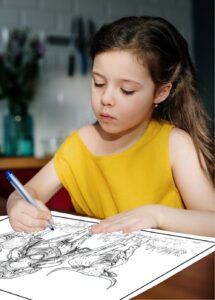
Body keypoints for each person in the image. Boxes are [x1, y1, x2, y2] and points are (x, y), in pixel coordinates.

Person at [7, 16, 214, 236]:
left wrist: (156, 215)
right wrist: (17, 205)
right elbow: (25, 192)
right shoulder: (80, 144)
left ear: (160, 92)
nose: (106, 98)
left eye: (126, 90)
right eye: (99, 83)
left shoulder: (175, 144)